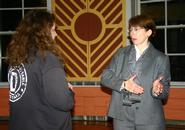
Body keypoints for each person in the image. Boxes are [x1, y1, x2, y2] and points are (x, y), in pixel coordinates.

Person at [6, 10, 74, 130]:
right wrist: (68, 91)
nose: (56, 35)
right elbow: (63, 102)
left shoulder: (17, 57)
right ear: (43, 32)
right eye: (53, 30)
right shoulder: (47, 58)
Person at [101, 14, 171, 130]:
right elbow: (105, 77)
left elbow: (165, 92)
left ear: (148, 32)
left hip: (150, 118)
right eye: (131, 30)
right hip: (122, 117)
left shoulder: (161, 58)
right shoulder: (121, 53)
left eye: (136, 29)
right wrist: (123, 84)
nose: (132, 33)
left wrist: (158, 90)